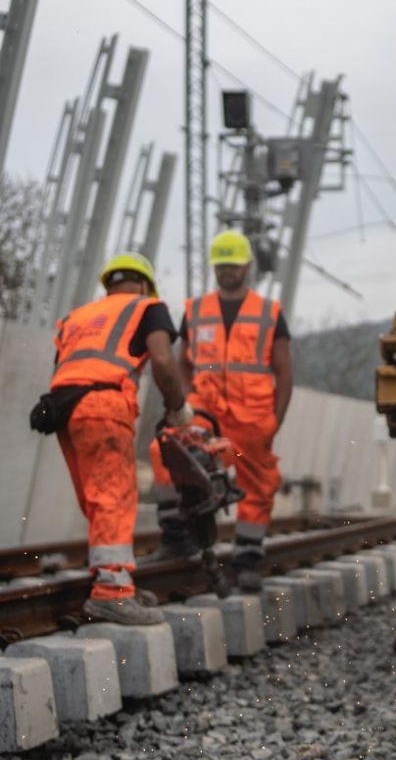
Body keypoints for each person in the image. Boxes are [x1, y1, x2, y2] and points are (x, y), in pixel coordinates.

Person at [43, 254, 192, 625]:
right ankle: (112, 593)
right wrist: (178, 408)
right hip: (104, 404)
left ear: (108, 283)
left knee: (96, 499)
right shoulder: (148, 306)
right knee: (114, 495)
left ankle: (113, 577)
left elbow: (67, 367)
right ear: (144, 284)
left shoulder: (78, 317)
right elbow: (161, 360)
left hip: (62, 408)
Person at [152, 230, 293, 589]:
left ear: (246, 265)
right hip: (206, 415)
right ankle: (176, 535)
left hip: (251, 421)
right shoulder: (196, 310)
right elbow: (184, 364)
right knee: (165, 449)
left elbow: (285, 371)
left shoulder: (269, 313)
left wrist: (273, 422)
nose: (226, 270)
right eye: (221, 264)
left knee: (257, 484)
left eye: (232, 264)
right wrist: (184, 403)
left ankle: (246, 559)